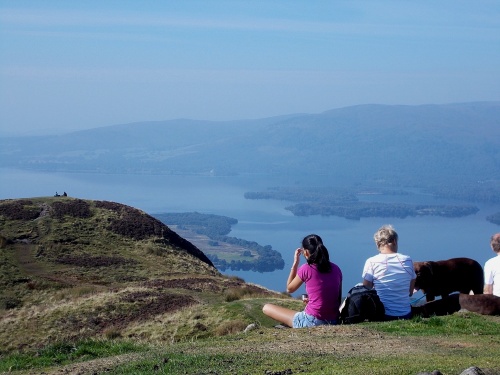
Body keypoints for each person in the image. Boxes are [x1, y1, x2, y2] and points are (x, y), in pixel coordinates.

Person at [262, 234, 342, 328]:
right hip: (333, 320)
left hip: (312, 321)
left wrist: (295, 264)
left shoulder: (306, 268)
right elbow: (336, 298)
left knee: (266, 307)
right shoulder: (336, 269)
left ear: (306, 252)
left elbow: (289, 289)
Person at [362, 225, 416, 320]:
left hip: (381, 314)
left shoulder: (371, 261)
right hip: (405, 314)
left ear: (377, 244)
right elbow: (410, 292)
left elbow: (366, 290)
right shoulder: (407, 260)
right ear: (394, 241)